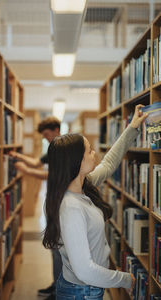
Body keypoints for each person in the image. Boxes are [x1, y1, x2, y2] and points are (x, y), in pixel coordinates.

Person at [43, 105, 148, 300]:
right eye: (90, 151)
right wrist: (125, 279)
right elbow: (84, 271)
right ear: (77, 163)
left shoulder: (82, 185)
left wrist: (132, 128)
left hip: (85, 289)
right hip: (81, 292)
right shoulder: (71, 207)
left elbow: (109, 164)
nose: (95, 154)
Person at [10, 116, 63, 300]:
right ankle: (56, 284)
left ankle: (58, 291)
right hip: (54, 201)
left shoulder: (64, 148)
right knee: (54, 247)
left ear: (56, 129)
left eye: (48, 134)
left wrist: (26, 171)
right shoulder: (54, 147)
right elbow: (36, 162)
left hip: (61, 203)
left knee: (58, 248)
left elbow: (51, 176)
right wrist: (18, 156)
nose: (46, 138)